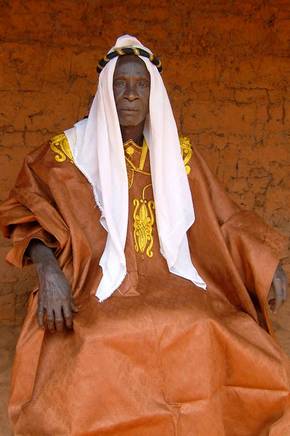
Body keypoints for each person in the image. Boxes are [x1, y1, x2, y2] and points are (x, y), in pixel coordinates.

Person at [0, 35, 289, 435]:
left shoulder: (177, 155)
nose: (131, 95)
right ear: (105, 91)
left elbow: (226, 218)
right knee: (98, 334)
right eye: (121, 84)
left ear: (154, 93)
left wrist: (266, 263)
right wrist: (48, 271)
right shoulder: (66, 154)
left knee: (206, 324)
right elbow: (26, 210)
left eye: (141, 85)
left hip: (173, 280)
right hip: (95, 287)